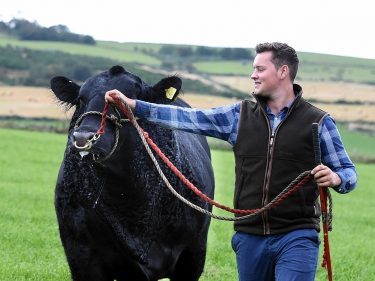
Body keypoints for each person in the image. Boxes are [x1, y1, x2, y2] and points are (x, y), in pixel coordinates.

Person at [105, 42, 357, 281]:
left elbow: (348, 172)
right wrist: (135, 106)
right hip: (250, 237)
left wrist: (336, 178)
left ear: (283, 72)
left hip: (296, 235)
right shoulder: (239, 116)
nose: (253, 75)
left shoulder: (318, 122)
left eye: (260, 68)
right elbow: (187, 117)